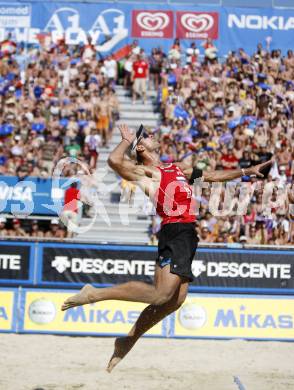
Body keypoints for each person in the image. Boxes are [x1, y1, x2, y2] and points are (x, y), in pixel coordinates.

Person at [61, 124, 273, 372]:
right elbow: (115, 161)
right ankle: (93, 294)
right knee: (160, 295)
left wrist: (248, 171)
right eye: (147, 136)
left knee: (175, 301)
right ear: (140, 146)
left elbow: (213, 176)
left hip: (187, 234)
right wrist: (126, 140)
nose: (153, 136)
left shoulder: (177, 168)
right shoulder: (146, 172)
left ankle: (127, 340)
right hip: (174, 231)